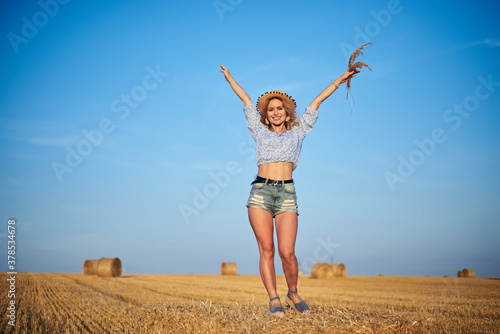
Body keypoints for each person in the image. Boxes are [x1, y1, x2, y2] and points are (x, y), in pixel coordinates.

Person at [219, 64, 358, 316]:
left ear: (286, 111)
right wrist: (230, 78)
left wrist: (340, 79)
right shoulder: (258, 131)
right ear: (266, 114)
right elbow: (246, 100)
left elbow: (317, 101)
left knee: (287, 252)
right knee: (267, 250)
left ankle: (292, 292)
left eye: (279, 108)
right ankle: (274, 299)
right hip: (260, 193)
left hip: (286, 195)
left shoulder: (298, 131)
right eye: (270, 109)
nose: (274, 112)